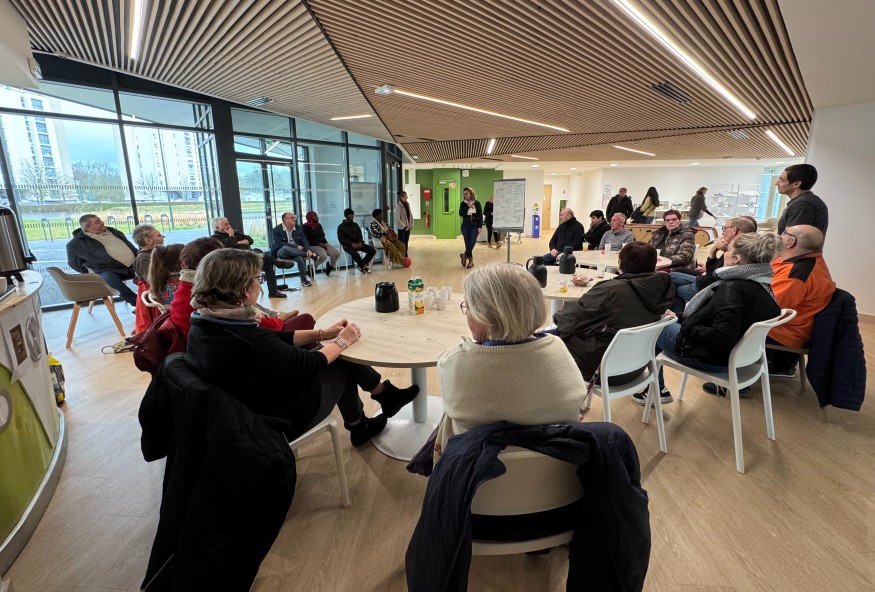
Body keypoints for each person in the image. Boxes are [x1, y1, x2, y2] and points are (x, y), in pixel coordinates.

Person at [184, 248, 419, 446]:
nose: (260, 283)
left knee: (336, 353)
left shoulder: (206, 322)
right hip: (282, 415)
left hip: (252, 404)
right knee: (341, 359)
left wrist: (322, 334)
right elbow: (309, 363)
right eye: (258, 278)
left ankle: (372, 410)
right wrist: (342, 341)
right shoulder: (247, 340)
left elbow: (275, 337)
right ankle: (371, 411)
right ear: (245, 290)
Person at [433, 263, 585, 458]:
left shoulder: (458, 362)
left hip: (476, 468)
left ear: (484, 316)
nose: (467, 314)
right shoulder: (557, 348)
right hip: (557, 469)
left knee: (448, 418)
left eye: (468, 308)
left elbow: (447, 380)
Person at [634, 233, 783, 403]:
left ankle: (657, 390)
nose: (725, 253)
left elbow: (721, 336)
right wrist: (679, 316)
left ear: (736, 259)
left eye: (728, 250)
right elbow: (715, 318)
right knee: (666, 318)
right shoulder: (762, 284)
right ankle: (656, 389)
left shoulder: (732, 288)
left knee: (654, 324)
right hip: (742, 359)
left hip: (713, 359)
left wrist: (687, 325)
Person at [555, 242, 674, 384]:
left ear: (620, 263)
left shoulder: (610, 291)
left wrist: (558, 316)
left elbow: (568, 320)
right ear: (654, 265)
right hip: (635, 367)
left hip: (601, 370)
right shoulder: (660, 288)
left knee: (548, 339)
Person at [170, 237, 303, 339]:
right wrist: (278, 321)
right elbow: (246, 323)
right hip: (234, 346)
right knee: (304, 322)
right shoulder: (205, 295)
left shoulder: (186, 289)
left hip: (211, 348)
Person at [766, 225, 836, 375]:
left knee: (728, 319)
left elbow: (767, 309)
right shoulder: (807, 260)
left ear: (791, 242)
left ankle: (731, 372)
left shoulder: (796, 275)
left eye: (784, 233)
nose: (780, 235)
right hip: (789, 326)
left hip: (784, 332)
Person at [670, 216, 757, 313]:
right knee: (673, 276)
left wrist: (717, 252)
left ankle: (678, 316)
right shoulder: (745, 249)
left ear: (734, 230)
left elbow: (713, 276)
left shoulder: (735, 251)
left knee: (670, 283)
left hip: (710, 289)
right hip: (710, 283)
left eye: (725, 228)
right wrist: (713, 253)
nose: (723, 232)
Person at [66, 214, 138, 307]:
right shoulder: (76, 243)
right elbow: (73, 263)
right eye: (97, 222)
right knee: (108, 278)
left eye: (100, 220)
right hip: (108, 270)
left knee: (153, 270)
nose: (102, 222)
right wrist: (92, 271)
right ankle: (138, 303)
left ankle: (153, 298)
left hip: (133, 265)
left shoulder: (115, 232)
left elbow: (130, 246)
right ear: (88, 227)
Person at [212, 216, 290, 299]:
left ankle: (273, 291)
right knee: (258, 253)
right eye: (225, 224)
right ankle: (276, 263)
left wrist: (238, 242)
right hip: (237, 263)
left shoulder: (235, 233)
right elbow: (231, 245)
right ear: (217, 227)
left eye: (228, 223)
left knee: (266, 263)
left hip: (248, 258)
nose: (229, 226)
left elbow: (250, 240)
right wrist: (232, 236)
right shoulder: (215, 238)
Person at [776, 164, 828, 237]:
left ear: (796, 184)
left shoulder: (803, 204)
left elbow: (792, 239)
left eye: (782, 180)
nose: (776, 183)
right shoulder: (805, 201)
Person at [132, 224, 166, 333]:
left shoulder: (156, 252)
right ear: (148, 240)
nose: (163, 237)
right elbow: (152, 280)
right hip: (153, 291)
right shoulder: (143, 258)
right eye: (159, 235)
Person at [270, 212, 314, 288]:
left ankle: (303, 280)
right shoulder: (276, 229)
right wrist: (296, 246)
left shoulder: (298, 228)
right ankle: (308, 255)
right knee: (285, 248)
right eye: (292, 218)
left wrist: (308, 249)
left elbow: (304, 240)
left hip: (297, 253)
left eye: (294, 217)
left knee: (299, 257)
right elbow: (279, 244)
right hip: (283, 252)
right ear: (285, 220)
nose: (294, 219)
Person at [337, 208, 376, 273]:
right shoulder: (341, 227)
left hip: (358, 244)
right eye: (350, 215)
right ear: (346, 216)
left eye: (353, 214)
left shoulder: (355, 225)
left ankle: (361, 264)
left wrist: (360, 242)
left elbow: (360, 235)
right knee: (355, 253)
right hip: (348, 245)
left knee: (372, 250)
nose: (352, 216)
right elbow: (341, 240)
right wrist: (351, 244)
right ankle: (363, 267)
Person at [302, 211, 341, 276]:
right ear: (310, 218)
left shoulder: (319, 225)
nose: (317, 217)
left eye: (316, 216)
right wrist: (319, 244)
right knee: (323, 256)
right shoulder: (305, 227)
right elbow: (307, 240)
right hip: (312, 245)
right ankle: (312, 267)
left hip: (323, 244)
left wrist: (325, 244)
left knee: (336, 254)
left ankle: (329, 266)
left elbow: (322, 236)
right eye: (314, 216)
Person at [458, 187, 482, 268]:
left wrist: (480, 227)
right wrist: (468, 206)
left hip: (474, 225)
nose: (466, 195)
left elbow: (480, 216)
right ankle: (471, 261)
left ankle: (464, 255)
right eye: (464, 194)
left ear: (471, 193)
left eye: (467, 193)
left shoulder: (477, 203)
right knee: (467, 243)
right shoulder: (463, 203)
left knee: (472, 242)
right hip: (465, 226)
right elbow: (461, 214)